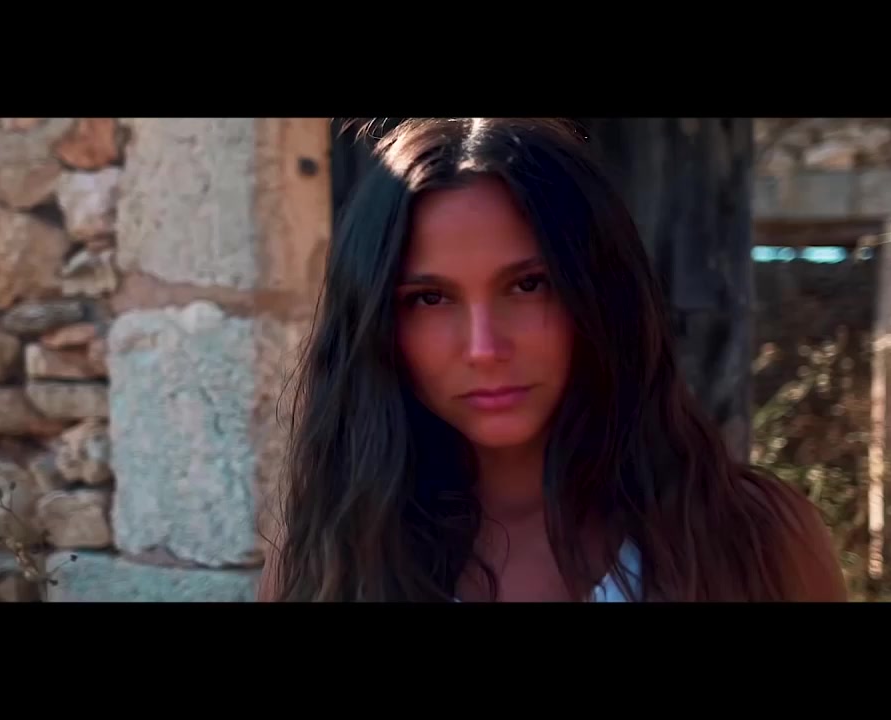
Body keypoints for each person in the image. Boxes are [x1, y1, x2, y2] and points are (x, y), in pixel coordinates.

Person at [257, 117, 847, 602]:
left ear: (600, 292)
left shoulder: (754, 540)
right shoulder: (329, 564)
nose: (484, 348)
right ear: (378, 326)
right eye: (430, 299)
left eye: (528, 285)